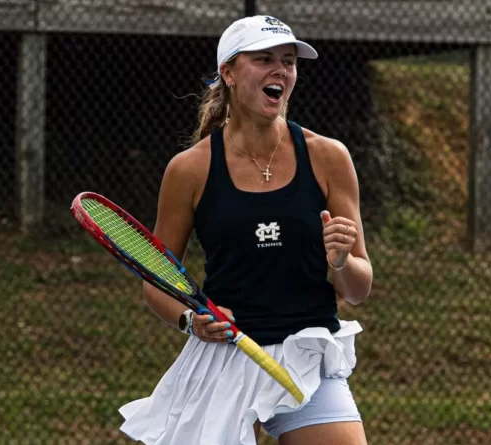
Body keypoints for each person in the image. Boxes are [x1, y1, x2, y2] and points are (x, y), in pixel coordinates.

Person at [118, 15, 374, 445]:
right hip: (224, 358)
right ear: (229, 72)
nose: (281, 71)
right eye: (264, 59)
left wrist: (341, 262)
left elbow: (358, 289)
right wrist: (191, 320)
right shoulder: (189, 169)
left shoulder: (329, 157)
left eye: (288, 61)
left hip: (305, 357)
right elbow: (156, 281)